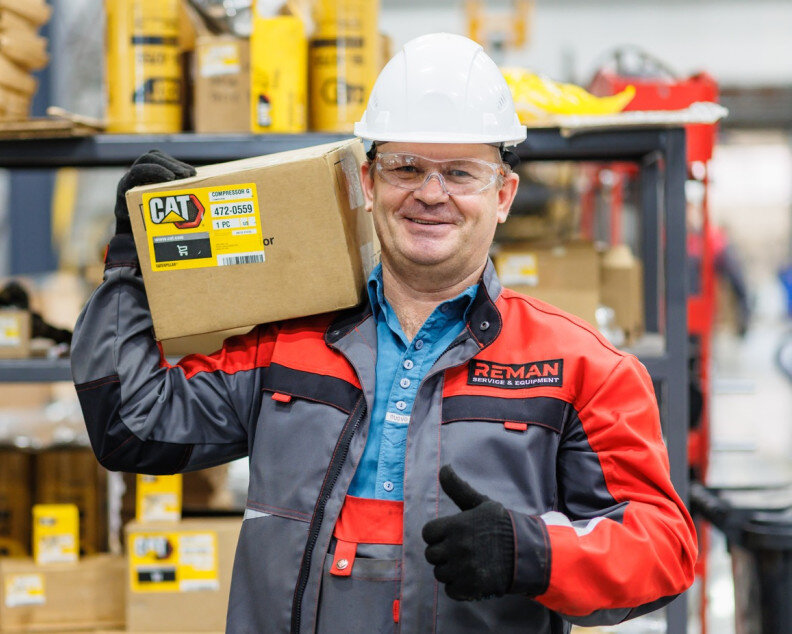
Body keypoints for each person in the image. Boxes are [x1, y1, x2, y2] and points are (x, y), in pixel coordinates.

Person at [72, 33, 696, 633]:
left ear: (504, 195)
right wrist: (134, 265)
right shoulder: (286, 344)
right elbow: (132, 425)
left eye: (461, 173)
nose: (431, 193)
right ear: (368, 184)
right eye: (406, 167)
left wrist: (532, 552)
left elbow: (664, 549)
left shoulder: (581, 368)